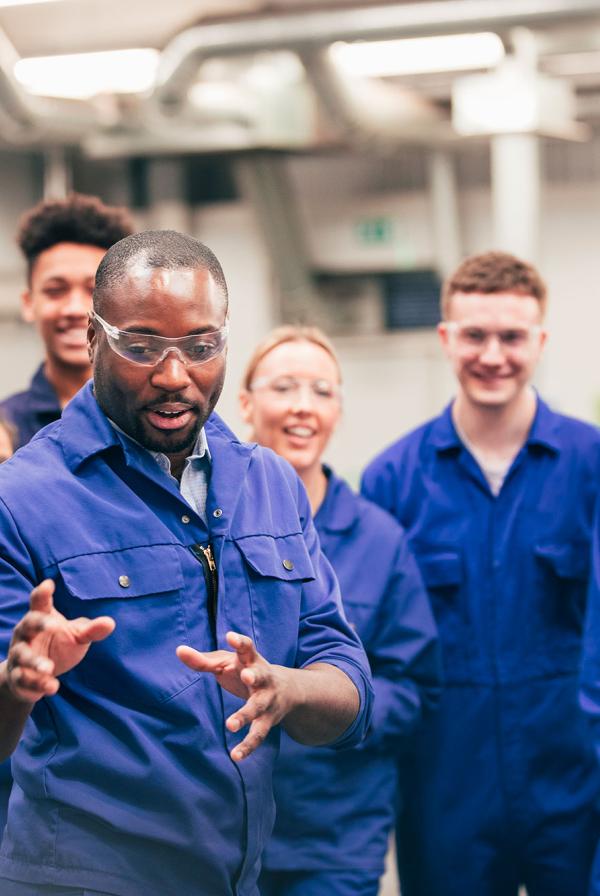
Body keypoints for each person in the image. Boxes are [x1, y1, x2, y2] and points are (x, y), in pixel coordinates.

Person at [0, 230, 373, 896]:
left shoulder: (270, 484)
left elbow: (349, 690)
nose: (174, 375)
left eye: (201, 347)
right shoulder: (22, 498)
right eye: (141, 347)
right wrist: (17, 686)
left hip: (235, 879)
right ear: (93, 338)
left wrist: (287, 688)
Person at [362, 251, 600, 896]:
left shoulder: (590, 465)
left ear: (541, 341)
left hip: (572, 776)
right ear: (446, 338)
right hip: (445, 782)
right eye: (475, 335)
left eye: (513, 337)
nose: (493, 355)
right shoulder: (392, 478)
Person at [238, 325, 440, 896]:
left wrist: (320, 704)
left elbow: (415, 688)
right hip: (216, 828)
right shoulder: (205, 524)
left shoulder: (380, 539)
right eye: (284, 387)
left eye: (322, 391)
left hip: (332, 836)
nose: (304, 406)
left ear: (339, 411)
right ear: (247, 403)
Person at [0, 192, 134, 449]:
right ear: (28, 303)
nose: (75, 309)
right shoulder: (7, 431)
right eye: (55, 290)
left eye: (93, 290)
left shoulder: (151, 420)